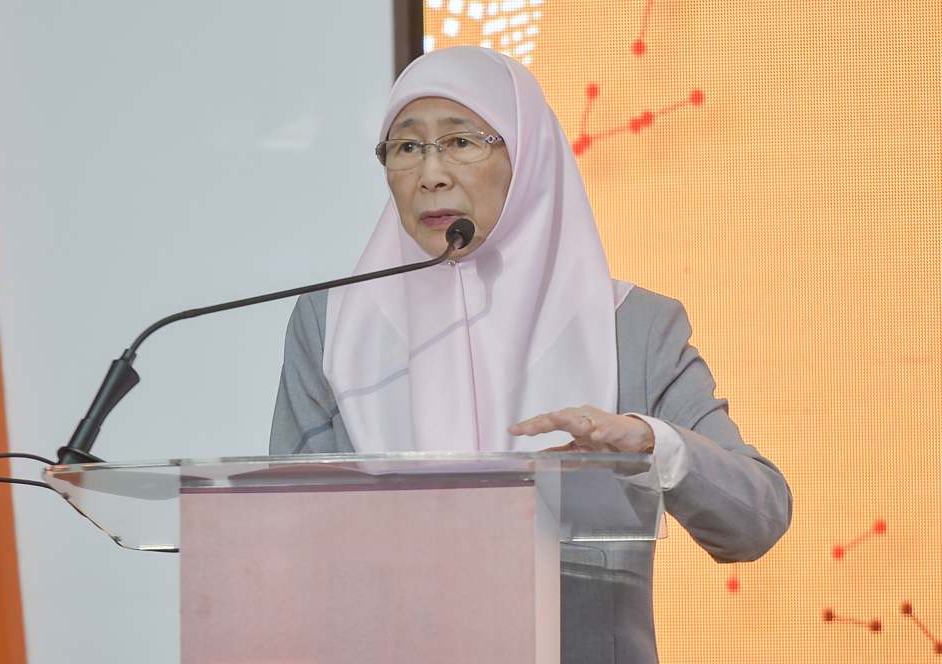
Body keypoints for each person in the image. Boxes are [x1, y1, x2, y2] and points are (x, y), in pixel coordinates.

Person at [270, 46, 791, 664]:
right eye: (406, 147)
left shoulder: (633, 326)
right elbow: (283, 527)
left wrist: (653, 444)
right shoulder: (335, 321)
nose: (431, 173)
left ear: (528, 154)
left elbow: (757, 517)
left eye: (461, 141)